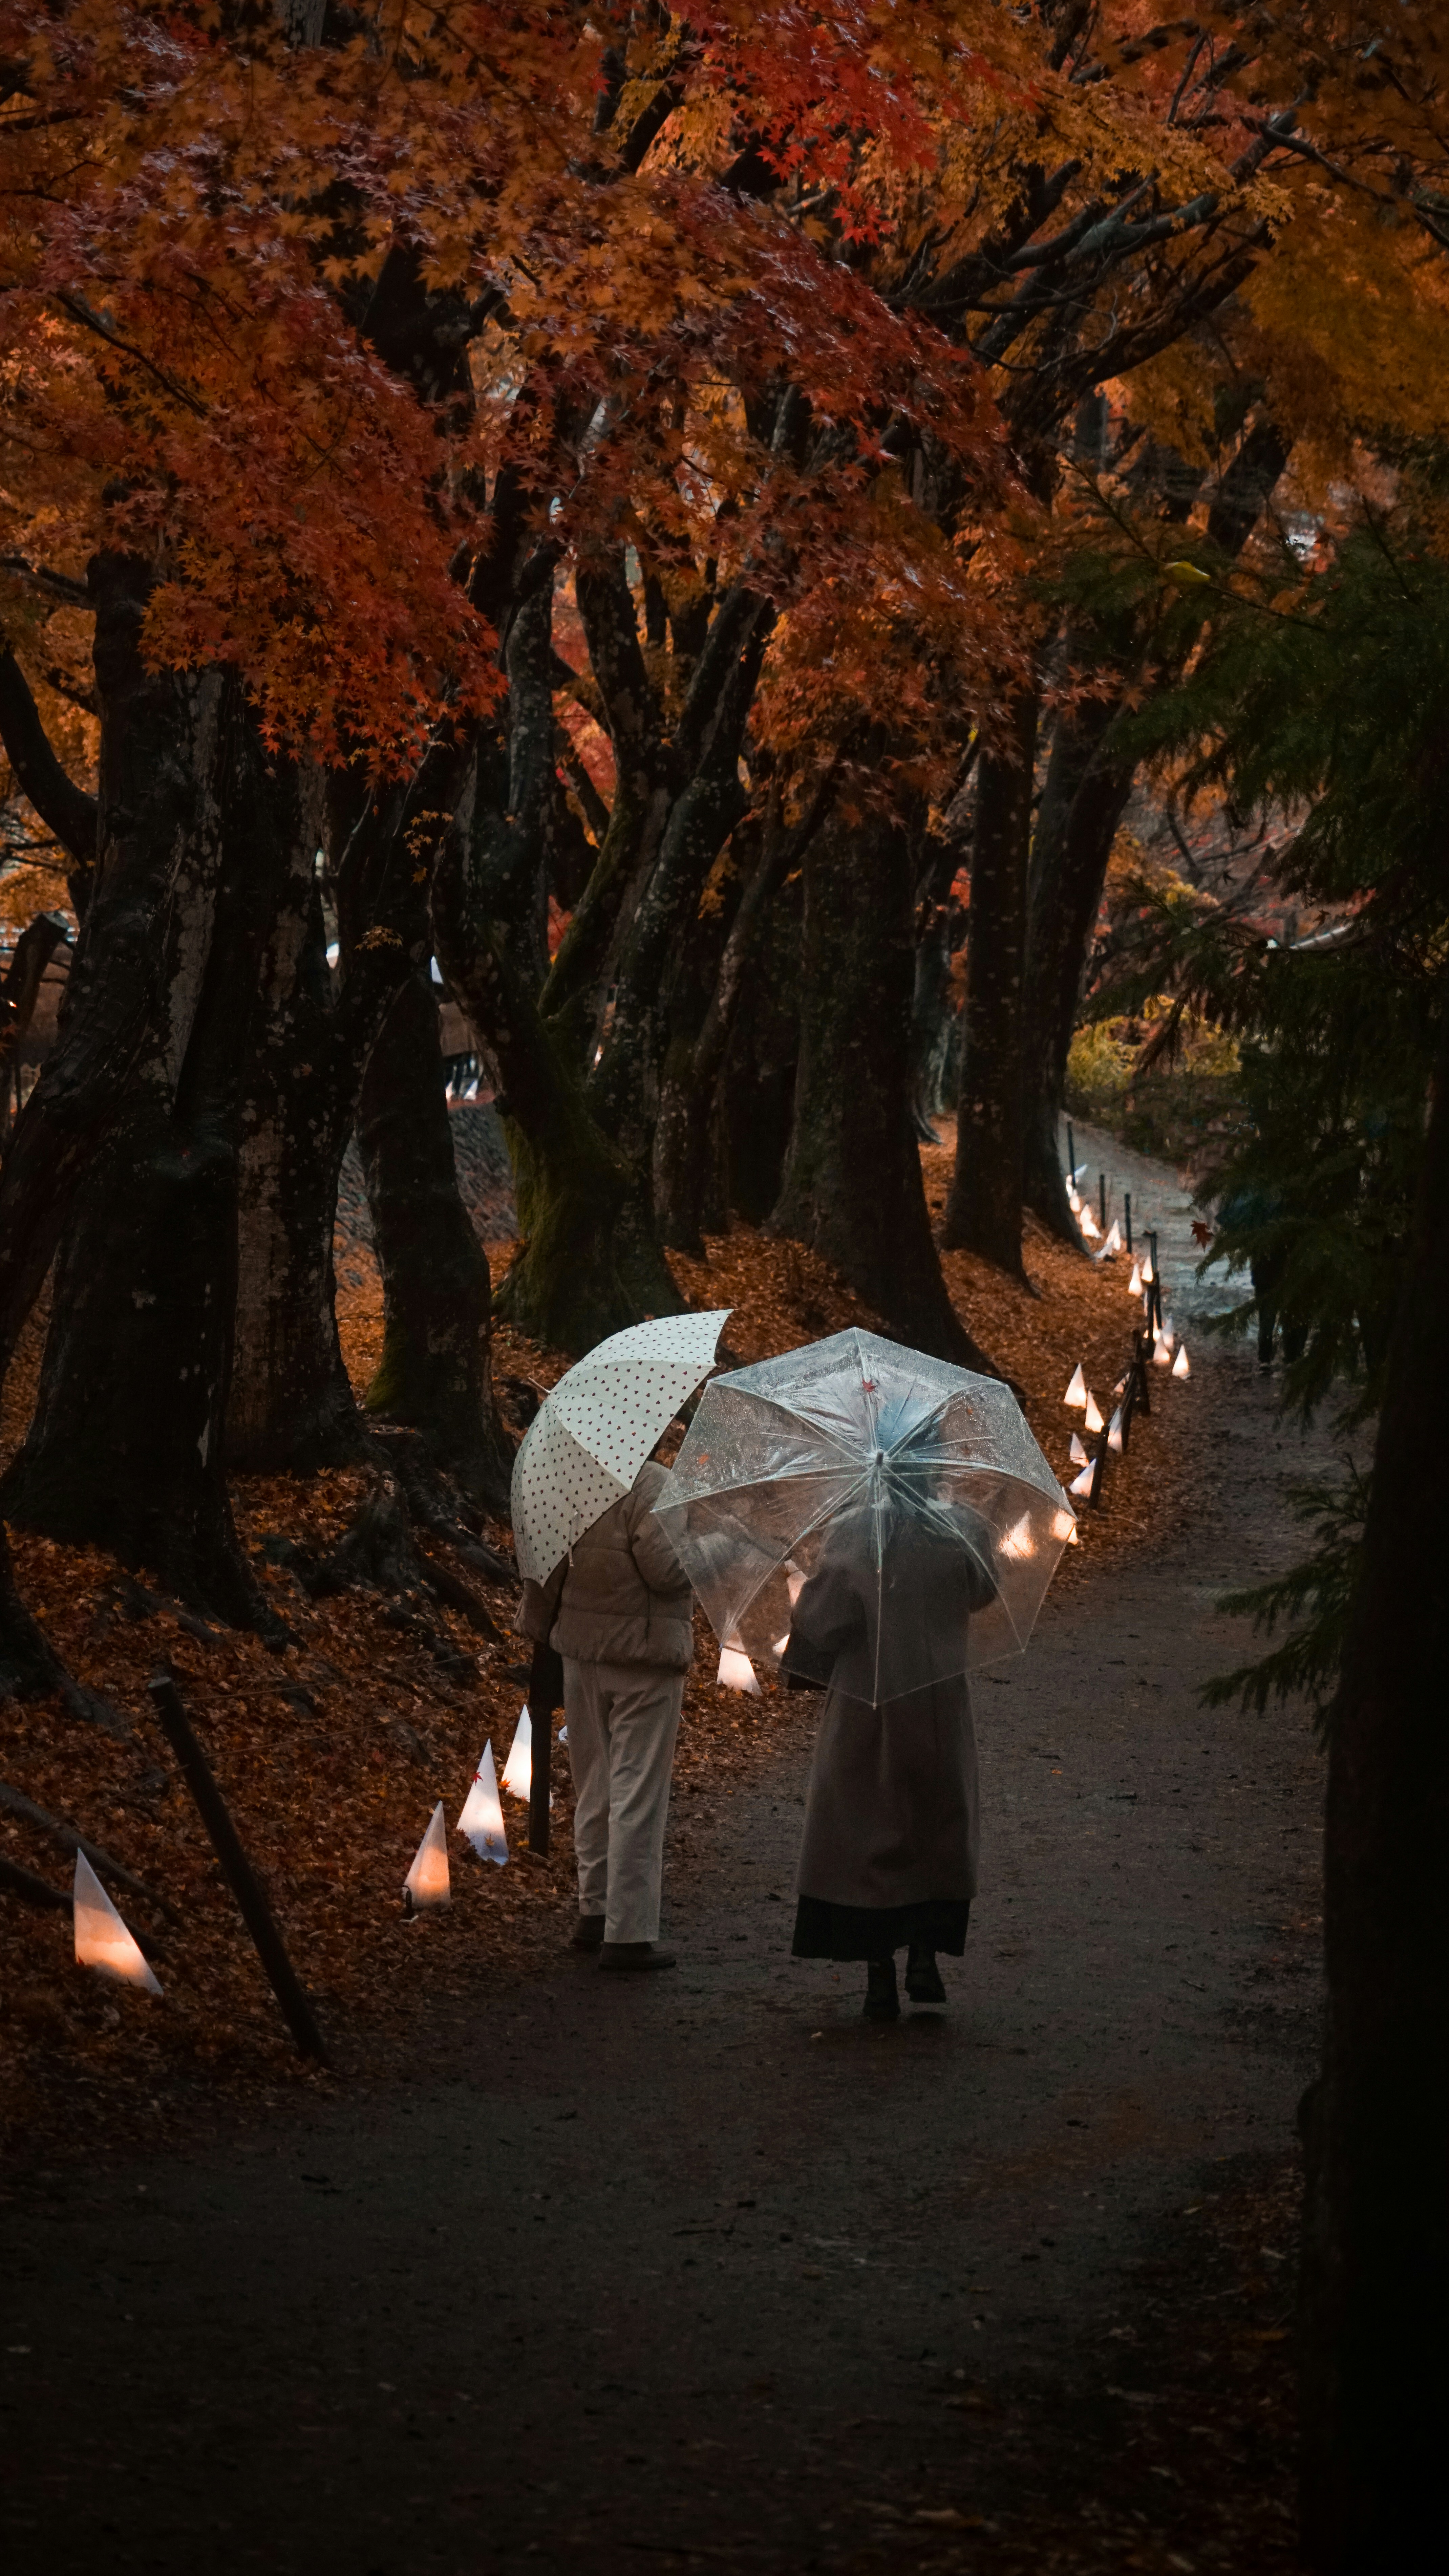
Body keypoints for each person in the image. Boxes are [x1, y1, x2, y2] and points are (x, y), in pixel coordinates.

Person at [785, 1501, 998, 2022]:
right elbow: (983, 1590)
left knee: (866, 1829)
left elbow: (822, 1620)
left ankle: (878, 1977)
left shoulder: (856, 1531)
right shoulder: (960, 1525)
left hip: (868, 1706)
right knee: (933, 1820)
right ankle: (924, 1956)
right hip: (938, 1701)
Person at [519, 1454, 692, 1972]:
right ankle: (630, 1932)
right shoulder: (654, 1486)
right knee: (637, 1790)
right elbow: (669, 1572)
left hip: (580, 1654)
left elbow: (540, 1573)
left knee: (593, 1783)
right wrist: (712, 1542)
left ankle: (593, 1910)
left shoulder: (561, 1482)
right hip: (644, 1658)